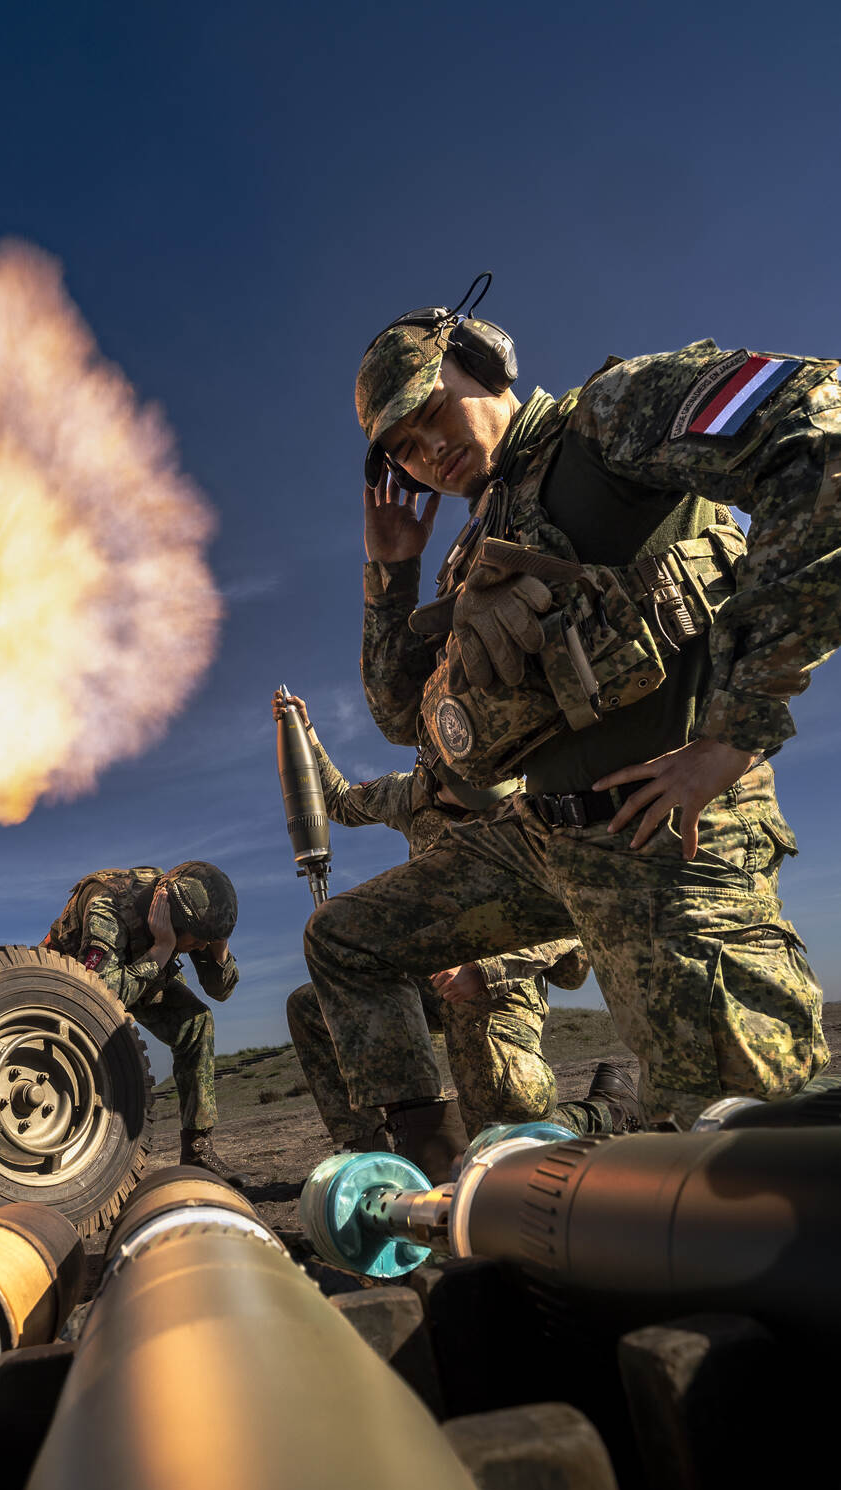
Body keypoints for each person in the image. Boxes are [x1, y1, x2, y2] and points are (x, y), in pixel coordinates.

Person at [304, 298, 834, 1164]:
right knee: (344, 940)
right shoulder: (470, 551)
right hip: (540, 842)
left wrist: (736, 733)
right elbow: (405, 718)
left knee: (738, 1145)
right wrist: (390, 574)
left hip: (663, 835)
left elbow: (822, 430)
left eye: (431, 410)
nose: (426, 450)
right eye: (401, 447)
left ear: (487, 362)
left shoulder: (609, 421)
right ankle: (435, 1188)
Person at [273, 692, 632, 1172]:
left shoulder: (533, 799)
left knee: (505, 1121)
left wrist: (487, 968)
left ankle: (604, 1112)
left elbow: (569, 917)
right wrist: (306, 733)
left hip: (502, 980)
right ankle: (378, 1151)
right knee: (310, 1008)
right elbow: (337, 801)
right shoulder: (408, 794)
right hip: (429, 974)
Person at [45, 860, 246, 1183]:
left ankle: (197, 1152)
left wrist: (219, 945)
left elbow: (219, 991)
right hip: (70, 986)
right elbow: (95, 996)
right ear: (173, 922)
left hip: (139, 967)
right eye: (197, 941)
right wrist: (163, 949)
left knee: (197, 1021)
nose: (200, 949)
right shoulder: (107, 908)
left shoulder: (190, 915)